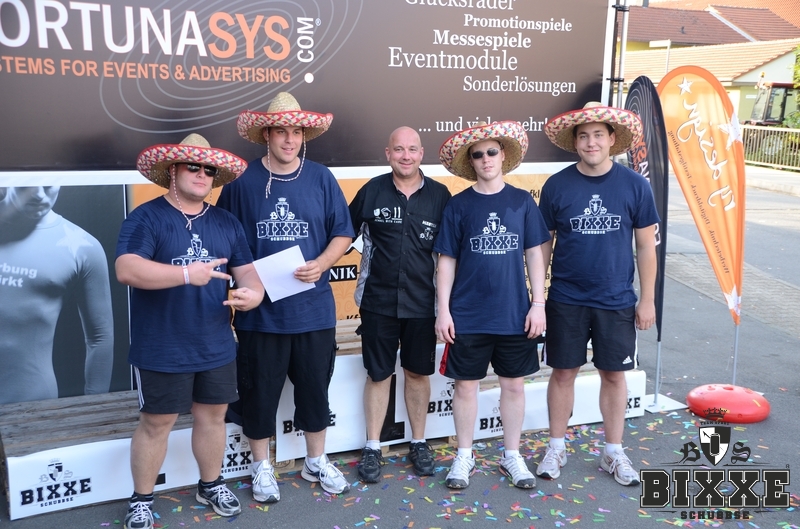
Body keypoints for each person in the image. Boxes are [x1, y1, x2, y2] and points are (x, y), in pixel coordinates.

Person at [116, 134, 264, 529]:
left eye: (208, 169)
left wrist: (253, 294)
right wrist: (185, 274)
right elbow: (126, 269)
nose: (201, 174)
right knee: (157, 424)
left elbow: (247, 272)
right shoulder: (146, 217)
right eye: (193, 166)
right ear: (173, 171)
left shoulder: (226, 222)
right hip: (162, 346)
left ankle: (210, 485)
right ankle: (141, 500)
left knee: (213, 418)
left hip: (216, 343)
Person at [217, 92, 354, 502]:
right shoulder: (241, 182)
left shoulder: (321, 178)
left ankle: (316, 460)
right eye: (281, 131)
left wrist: (322, 263)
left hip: (313, 311)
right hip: (261, 315)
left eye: (296, 132)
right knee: (259, 393)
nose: (289, 139)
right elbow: (226, 238)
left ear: (304, 136)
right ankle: (261, 465)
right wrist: (245, 283)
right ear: (267, 135)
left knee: (315, 391)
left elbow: (343, 232)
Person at [535, 102, 658, 487]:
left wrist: (648, 299)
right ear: (575, 142)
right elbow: (542, 245)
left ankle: (613, 451)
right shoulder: (557, 186)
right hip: (566, 298)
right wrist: (537, 295)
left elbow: (646, 247)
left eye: (598, 135)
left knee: (614, 375)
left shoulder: (635, 185)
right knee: (563, 372)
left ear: (611, 139)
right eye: (584, 136)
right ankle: (556, 447)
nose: (591, 142)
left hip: (617, 299)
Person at [434, 121, 550, 490]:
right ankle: (464, 456)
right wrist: (443, 310)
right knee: (466, 388)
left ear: (503, 156)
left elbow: (535, 254)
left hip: (514, 314)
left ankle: (511, 455)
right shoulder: (458, 205)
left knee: (513, 387)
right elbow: (446, 261)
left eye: (492, 152)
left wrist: (538, 303)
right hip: (467, 315)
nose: (485, 158)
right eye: (478, 154)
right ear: (471, 162)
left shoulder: (522, 202)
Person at [349, 126, 451, 482]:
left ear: (421, 153)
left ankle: (419, 442)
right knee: (378, 374)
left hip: (423, 303)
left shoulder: (440, 196)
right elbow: (342, 234)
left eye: (412, 149)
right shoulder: (371, 191)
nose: (405, 156)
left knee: (418, 373)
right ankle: (372, 446)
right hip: (377, 301)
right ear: (388, 153)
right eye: (398, 149)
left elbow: (450, 254)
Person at [0, 186, 113, 405]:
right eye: (27, 185)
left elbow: (100, 337)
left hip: (33, 401)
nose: (38, 194)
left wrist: (94, 407)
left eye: (48, 184)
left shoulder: (83, 247)